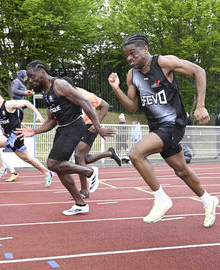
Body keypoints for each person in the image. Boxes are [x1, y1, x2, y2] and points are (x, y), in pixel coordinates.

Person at [108, 33, 219, 228]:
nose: (129, 58)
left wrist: (200, 105)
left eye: (132, 54)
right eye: (126, 55)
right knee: (181, 170)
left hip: (174, 124)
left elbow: (199, 71)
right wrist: (116, 89)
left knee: (135, 153)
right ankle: (208, 199)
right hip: (157, 128)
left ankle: (161, 198)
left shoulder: (164, 63)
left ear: (145, 49)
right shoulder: (132, 75)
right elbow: (132, 108)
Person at [16, 60, 116, 215]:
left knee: (52, 163)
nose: (30, 80)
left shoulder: (59, 85)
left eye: (32, 76)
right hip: (63, 128)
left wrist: (98, 126)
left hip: (74, 126)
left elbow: (84, 102)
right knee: (59, 168)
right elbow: (51, 121)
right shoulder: (47, 94)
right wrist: (34, 131)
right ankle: (80, 204)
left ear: (42, 72)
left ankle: (90, 172)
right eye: (28, 78)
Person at [0, 86, 54, 186]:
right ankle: (47, 172)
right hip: (12, 137)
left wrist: (38, 114)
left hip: (15, 135)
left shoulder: (8, 104)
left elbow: (26, 103)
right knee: (28, 159)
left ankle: (1, 168)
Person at [63, 77, 121, 199]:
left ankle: (84, 190)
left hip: (90, 127)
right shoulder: (64, 97)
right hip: (76, 127)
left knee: (79, 156)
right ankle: (109, 153)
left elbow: (105, 105)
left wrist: (97, 124)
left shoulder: (86, 95)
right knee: (84, 159)